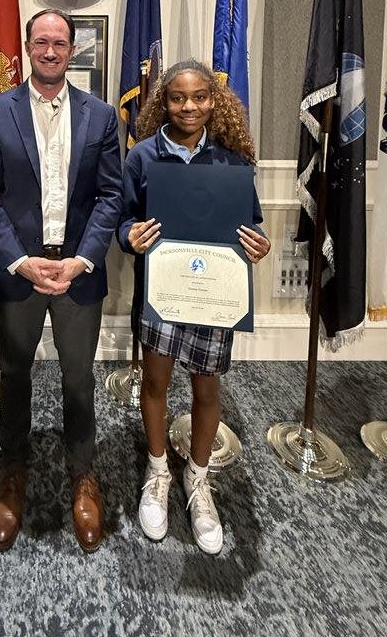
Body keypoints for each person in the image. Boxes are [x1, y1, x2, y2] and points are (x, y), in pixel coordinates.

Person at [0, 9, 122, 553]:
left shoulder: (102, 116)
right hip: (20, 272)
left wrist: (82, 259)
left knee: (79, 378)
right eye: (42, 42)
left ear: (73, 49)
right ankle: (12, 470)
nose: (52, 51)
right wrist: (18, 260)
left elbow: (111, 196)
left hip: (78, 270)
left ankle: (83, 473)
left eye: (61, 42)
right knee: (13, 373)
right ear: (29, 48)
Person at [118, 60, 270, 554]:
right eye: (179, 98)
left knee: (207, 389)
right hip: (162, 294)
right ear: (164, 102)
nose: (189, 107)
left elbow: (253, 224)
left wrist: (259, 244)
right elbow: (121, 222)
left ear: (214, 100)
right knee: (156, 382)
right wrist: (130, 237)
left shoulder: (232, 161)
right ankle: (159, 469)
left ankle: (198, 479)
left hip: (214, 298)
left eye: (200, 97)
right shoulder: (141, 157)